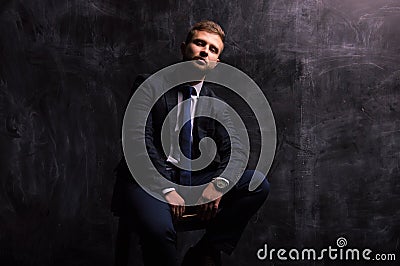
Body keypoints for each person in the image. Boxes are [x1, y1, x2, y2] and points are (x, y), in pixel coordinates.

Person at [111, 20, 270, 266]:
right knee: (160, 234)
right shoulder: (150, 85)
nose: (205, 50)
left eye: (213, 49)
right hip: (147, 181)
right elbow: (136, 141)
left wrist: (219, 184)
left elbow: (237, 149)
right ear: (184, 48)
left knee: (256, 184)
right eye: (199, 43)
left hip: (191, 180)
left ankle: (205, 251)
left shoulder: (215, 103)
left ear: (216, 63)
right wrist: (166, 188)